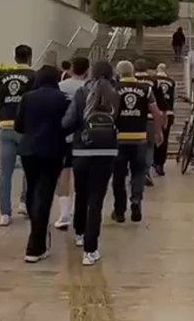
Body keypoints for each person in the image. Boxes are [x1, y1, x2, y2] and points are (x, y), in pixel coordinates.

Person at [62, 59, 120, 266]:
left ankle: (79, 232)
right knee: (96, 201)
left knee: (81, 194)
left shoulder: (81, 93)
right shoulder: (116, 94)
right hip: (107, 151)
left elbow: (68, 122)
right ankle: (90, 250)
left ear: (92, 72)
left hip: (82, 150)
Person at [13, 64, 70, 263]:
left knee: (32, 189)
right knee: (44, 194)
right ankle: (35, 245)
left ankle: (37, 236)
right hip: (53, 151)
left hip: (29, 150)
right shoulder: (62, 99)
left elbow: (18, 126)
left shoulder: (27, 98)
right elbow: (68, 124)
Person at [112, 60, 163, 223]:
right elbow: (156, 112)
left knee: (119, 176)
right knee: (138, 173)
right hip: (140, 138)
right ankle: (136, 201)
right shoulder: (146, 89)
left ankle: (119, 211)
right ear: (133, 72)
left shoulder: (113, 88)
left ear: (118, 73)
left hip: (119, 139)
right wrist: (159, 132)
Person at [0, 44, 35, 226]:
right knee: (30, 168)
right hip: (26, 128)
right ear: (30, 58)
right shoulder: (34, 77)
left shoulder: (2, 78)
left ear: (15, 58)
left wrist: (4, 115)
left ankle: (5, 214)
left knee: (5, 172)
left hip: (5, 127)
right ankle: (25, 203)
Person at [54, 56, 89, 230]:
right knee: (80, 176)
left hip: (63, 136)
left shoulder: (60, 87)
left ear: (71, 68)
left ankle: (64, 213)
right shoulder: (89, 89)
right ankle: (77, 209)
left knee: (64, 174)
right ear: (87, 70)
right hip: (83, 137)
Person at [133, 59, 166, 187]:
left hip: (133, 118)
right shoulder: (154, 81)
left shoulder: (130, 80)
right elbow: (160, 104)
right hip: (150, 118)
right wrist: (161, 124)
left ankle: (135, 171)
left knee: (134, 146)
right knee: (149, 146)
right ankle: (146, 170)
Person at [152, 63, 176, 177]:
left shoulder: (153, 81)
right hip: (168, 113)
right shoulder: (172, 82)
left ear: (157, 70)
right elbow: (173, 98)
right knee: (164, 139)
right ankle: (160, 164)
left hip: (155, 112)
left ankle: (153, 160)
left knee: (153, 137)